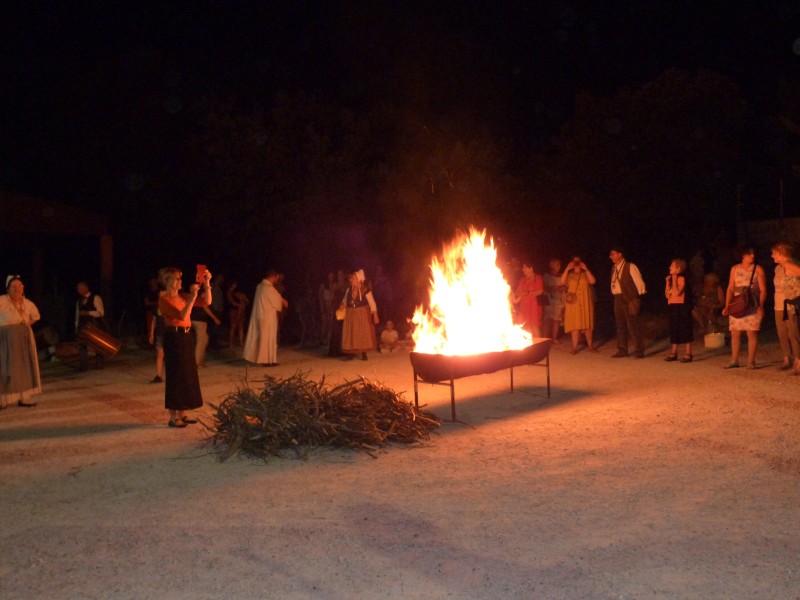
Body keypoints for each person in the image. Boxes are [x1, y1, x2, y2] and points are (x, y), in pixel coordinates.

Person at [158, 267, 211, 427]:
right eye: (176, 278)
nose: (180, 281)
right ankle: (173, 417)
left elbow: (207, 301)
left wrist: (207, 283)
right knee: (175, 375)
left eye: (180, 278)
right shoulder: (164, 300)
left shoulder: (182, 296)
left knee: (187, 374)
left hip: (186, 336)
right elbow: (182, 315)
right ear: (167, 281)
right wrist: (193, 297)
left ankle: (183, 413)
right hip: (173, 337)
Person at [722, 246, 767, 370]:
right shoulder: (735, 269)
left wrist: (761, 305)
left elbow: (763, 290)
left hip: (752, 303)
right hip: (738, 304)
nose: (752, 256)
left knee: (751, 332)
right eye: (749, 254)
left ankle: (751, 361)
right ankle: (734, 360)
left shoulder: (757, 269)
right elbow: (730, 287)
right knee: (735, 332)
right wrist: (727, 305)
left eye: (753, 254)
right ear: (743, 255)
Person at [0, 276, 41, 408]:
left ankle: (24, 397)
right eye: (13, 286)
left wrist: (27, 324)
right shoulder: (1, 301)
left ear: (23, 288)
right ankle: (3, 400)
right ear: (8, 289)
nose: (17, 289)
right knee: (6, 367)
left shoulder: (28, 303)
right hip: (5, 339)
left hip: (24, 339)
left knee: (25, 366)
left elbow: (36, 316)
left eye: (19, 286)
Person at [242, 269, 288, 366]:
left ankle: (270, 360)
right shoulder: (268, 288)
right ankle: (265, 361)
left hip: (262, 316)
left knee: (268, 338)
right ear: (273, 276)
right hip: (267, 317)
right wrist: (282, 301)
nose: (277, 280)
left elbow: (274, 297)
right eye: (276, 278)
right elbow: (277, 301)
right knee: (266, 339)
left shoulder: (260, 286)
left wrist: (280, 299)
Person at [609, 246, 647, 358]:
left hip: (628, 298)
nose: (610, 256)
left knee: (633, 325)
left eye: (612, 254)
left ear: (620, 254)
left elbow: (639, 282)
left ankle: (639, 350)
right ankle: (622, 349)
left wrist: (635, 298)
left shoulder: (630, 266)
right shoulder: (614, 268)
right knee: (620, 325)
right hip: (617, 298)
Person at [771, 242, 800, 373]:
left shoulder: (789, 264)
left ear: (780, 254)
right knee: (782, 334)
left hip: (790, 304)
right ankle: (787, 359)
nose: (772, 256)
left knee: (794, 334)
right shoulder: (778, 268)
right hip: (779, 304)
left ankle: (798, 362)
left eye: (774, 253)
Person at [560, 256, 597, 354]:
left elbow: (593, 281)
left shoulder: (585, 273)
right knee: (575, 324)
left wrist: (586, 269)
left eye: (578, 261)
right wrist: (567, 269)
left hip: (585, 301)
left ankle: (590, 346)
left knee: (587, 324)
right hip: (574, 303)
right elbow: (562, 282)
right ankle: (574, 348)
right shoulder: (570, 274)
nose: (576, 263)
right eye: (575, 261)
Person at [340, 269, 379, 360]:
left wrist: (375, 314)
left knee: (362, 332)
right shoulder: (349, 289)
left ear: (358, 279)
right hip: (351, 313)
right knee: (351, 333)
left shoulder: (365, 290)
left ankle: (363, 353)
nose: (351, 280)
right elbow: (345, 300)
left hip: (362, 313)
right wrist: (343, 304)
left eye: (353, 278)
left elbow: (372, 303)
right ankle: (351, 353)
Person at [664, 258, 693, 362]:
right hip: (673, 305)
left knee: (685, 327)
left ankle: (688, 352)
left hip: (682, 306)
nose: (670, 268)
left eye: (672, 266)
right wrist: (668, 282)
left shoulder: (681, 278)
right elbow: (667, 295)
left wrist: (675, 279)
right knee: (674, 327)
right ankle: (674, 352)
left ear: (678, 268)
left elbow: (677, 293)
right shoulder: (671, 279)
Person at [75, 281, 106, 371]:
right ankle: (83, 365)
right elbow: (77, 315)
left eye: (80, 288)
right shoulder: (79, 300)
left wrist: (88, 313)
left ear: (86, 288)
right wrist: (76, 326)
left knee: (97, 344)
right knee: (82, 345)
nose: (78, 291)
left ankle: (99, 363)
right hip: (83, 325)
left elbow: (101, 312)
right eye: (78, 289)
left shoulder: (95, 298)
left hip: (94, 324)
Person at [511, 260, 544, 337]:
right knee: (526, 326)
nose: (523, 269)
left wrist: (527, 293)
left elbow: (540, 291)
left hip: (534, 306)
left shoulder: (537, 278)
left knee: (534, 325)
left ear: (531, 268)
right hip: (524, 306)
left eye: (525, 267)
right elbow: (517, 292)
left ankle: (538, 346)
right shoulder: (522, 280)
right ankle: (530, 345)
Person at [191, 293, 220, 368]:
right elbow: (206, 309)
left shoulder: (195, 299)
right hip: (199, 321)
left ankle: (200, 361)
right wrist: (215, 318)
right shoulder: (200, 300)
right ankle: (197, 363)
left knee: (204, 339)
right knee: (201, 341)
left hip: (196, 321)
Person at [542, 258, 566, 343]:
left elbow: (566, 285)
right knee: (548, 319)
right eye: (557, 265)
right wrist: (554, 288)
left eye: (559, 265)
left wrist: (563, 288)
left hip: (559, 300)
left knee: (557, 320)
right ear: (551, 265)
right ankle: (544, 338)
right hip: (550, 300)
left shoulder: (562, 275)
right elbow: (544, 287)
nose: (559, 266)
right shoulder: (547, 275)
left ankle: (554, 338)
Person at [147, 284, 166, 383]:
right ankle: (158, 376)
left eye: (163, 292)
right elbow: (154, 320)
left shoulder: (170, 304)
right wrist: (151, 334)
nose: (161, 294)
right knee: (159, 354)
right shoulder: (157, 306)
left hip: (169, 333)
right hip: (160, 333)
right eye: (160, 292)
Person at [225, 281, 249, 348]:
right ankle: (231, 343)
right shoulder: (229, 293)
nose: (235, 286)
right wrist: (240, 305)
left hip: (241, 311)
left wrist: (244, 301)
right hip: (234, 311)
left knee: (241, 326)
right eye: (233, 285)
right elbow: (231, 302)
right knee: (233, 326)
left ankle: (241, 342)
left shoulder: (238, 293)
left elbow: (246, 301)